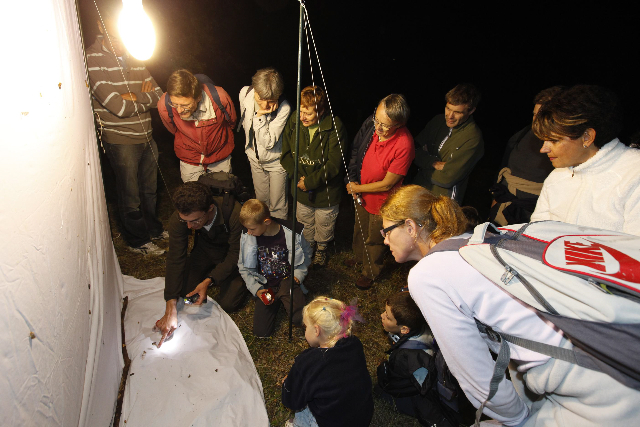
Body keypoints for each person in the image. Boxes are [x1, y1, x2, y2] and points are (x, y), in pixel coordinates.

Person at [378, 184, 640, 426]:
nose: (384, 240)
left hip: (590, 381)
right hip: (608, 350)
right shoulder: (476, 241)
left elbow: (474, 372)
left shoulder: (428, 275)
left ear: (410, 227)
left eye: (387, 231)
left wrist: (516, 419)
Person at [87, 13, 166, 255]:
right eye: (113, 37)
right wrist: (142, 96)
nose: (119, 43)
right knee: (129, 193)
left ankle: (153, 230)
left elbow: (160, 96)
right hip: (120, 140)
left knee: (150, 190)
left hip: (146, 136)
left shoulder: (134, 56)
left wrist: (135, 97)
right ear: (100, 25)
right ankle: (137, 241)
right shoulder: (92, 58)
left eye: (122, 36)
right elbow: (117, 107)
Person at [531, 84, 640, 236]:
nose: (543, 149)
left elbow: (635, 251)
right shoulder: (556, 177)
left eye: (554, 140)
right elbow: (536, 236)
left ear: (587, 137)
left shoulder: (634, 175)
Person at [155, 182, 247, 347]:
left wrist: (209, 280)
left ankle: (224, 281)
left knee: (228, 303)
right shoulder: (181, 218)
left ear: (210, 209)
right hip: (205, 250)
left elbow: (235, 255)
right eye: (185, 221)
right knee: (184, 295)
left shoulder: (234, 214)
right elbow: (176, 257)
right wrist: (170, 305)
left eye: (195, 221)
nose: (189, 226)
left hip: (231, 254)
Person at [345, 94, 414, 290]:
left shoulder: (404, 144)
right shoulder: (372, 125)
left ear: (399, 124)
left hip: (382, 202)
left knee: (375, 238)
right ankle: (359, 258)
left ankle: (370, 271)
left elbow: (387, 184)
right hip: (362, 194)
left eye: (385, 125)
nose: (378, 127)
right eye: (377, 120)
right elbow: (357, 150)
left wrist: (357, 188)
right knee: (359, 229)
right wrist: (353, 180)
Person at [282, 297, 374, 427]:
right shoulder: (355, 344)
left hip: (330, 422)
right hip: (361, 418)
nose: (305, 330)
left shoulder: (308, 363)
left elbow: (292, 401)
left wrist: (289, 383)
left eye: (305, 327)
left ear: (316, 330)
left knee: (303, 407)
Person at [280, 86, 347, 267]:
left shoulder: (334, 126)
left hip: (326, 190)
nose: (302, 117)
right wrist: (298, 178)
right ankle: (307, 247)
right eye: (301, 111)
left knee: (325, 222)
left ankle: (322, 249)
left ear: (321, 110)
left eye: (308, 114)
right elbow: (285, 153)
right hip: (301, 186)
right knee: (304, 220)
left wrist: (310, 182)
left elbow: (334, 164)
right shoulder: (295, 121)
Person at [377, 291, 462, 426]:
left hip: (414, 395)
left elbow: (397, 384)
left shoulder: (405, 357)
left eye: (387, 317)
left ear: (404, 330)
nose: (381, 316)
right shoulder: (425, 327)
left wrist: (382, 372)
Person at [489, 86, 563, 225]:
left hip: (535, 215)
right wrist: (495, 199)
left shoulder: (566, 146)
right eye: (534, 114)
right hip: (504, 207)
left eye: (542, 116)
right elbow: (503, 168)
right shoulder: (522, 135)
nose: (536, 121)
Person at [237, 199, 312, 337]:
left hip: (287, 280)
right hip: (265, 284)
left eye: (252, 229)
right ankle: (276, 301)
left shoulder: (291, 233)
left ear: (266, 222)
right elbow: (243, 266)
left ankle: (288, 298)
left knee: (298, 319)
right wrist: (256, 289)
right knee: (261, 332)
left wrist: (298, 275)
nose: (249, 232)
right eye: (247, 228)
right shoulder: (248, 236)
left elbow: (306, 254)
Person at [158, 69, 237, 182]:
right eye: (175, 104)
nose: (179, 110)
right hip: (189, 159)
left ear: (198, 97)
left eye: (185, 105)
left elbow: (231, 121)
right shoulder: (164, 104)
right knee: (194, 197)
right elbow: (173, 129)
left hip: (219, 157)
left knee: (220, 197)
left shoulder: (219, 97)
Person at [413, 83, 484, 203]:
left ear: (471, 110)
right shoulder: (437, 121)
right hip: (416, 191)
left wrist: (423, 164)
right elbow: (413, 151)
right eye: (448, 108)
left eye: (458, 112)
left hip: (442, 202)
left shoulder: (473, 138)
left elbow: (447, 179)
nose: (449, 116)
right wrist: (433, 163)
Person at [238, 68, 291, 220]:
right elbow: (245, 124)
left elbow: (268, 143)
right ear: (254, 89)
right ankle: (263, 236)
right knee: (261, 202)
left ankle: (279, 238)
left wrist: (260, 115)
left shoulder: (284, 108)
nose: (266, 104)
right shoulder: (245, 93)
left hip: (276, 162)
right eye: (261, 98)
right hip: (254, 158)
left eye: (271, 100)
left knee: (278, 206)